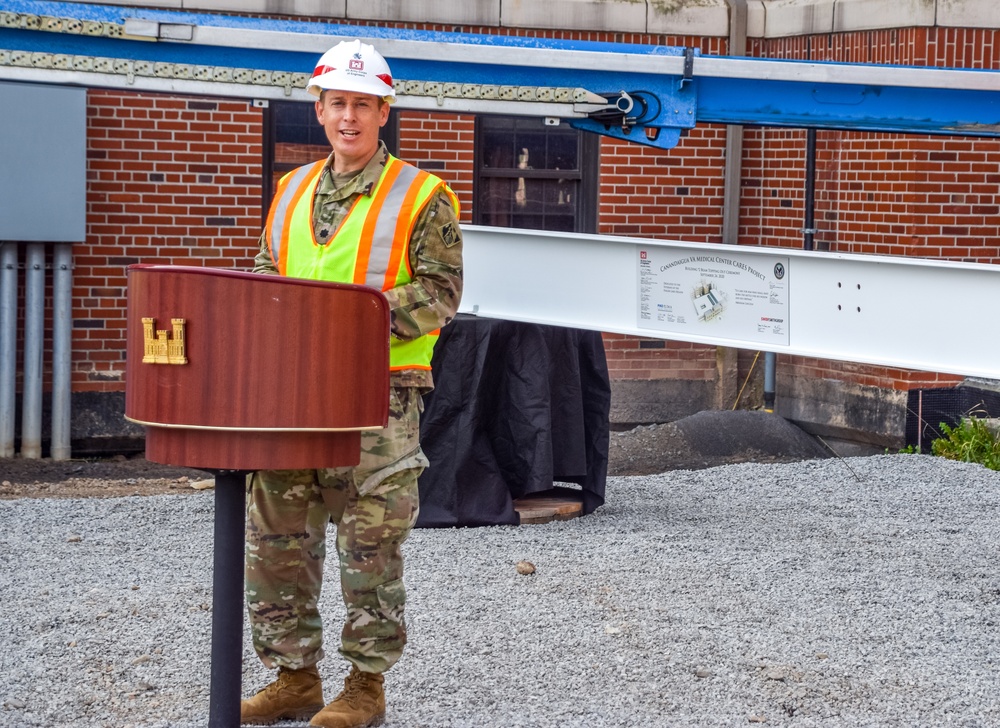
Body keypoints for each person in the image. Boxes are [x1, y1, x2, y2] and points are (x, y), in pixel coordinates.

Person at [239, 39, 463, 728]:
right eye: (338, 102)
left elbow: (441, 291)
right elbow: (265, 272)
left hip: (379, 395)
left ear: (384, 110)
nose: (349, 117)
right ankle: (295, 677)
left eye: (363, 104)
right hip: (292, 396)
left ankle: (365, 687)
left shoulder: (423, 196)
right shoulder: (292, 190)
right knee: (279, 537)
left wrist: (345, 320)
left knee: (369, 544)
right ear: (320, 107)